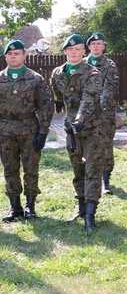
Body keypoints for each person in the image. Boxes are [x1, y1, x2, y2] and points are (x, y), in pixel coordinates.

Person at [51, 34, 105, 232]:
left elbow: (89, 99)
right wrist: (68, 118)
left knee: (92, 168)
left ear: (84, 52)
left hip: (91, 126)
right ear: (65, 51)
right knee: (77, 168)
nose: (74, 52)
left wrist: (80, 119)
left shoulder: (93, 73)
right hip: (71, 129)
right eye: (70, 49)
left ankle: (91, 214)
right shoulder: (57, 73)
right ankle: (81, 208)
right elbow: (59, 97)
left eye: (78, 49)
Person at [0, 40, 53, 222]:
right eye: (10, 54)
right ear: (6, 56)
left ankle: (31, 206)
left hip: (29, 130)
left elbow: (45, 106)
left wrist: (43, 132)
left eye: (17, 53)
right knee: (9, 169)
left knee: (31, 169)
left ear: (24, 56)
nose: (13, 57)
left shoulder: (36, 79)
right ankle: (15, 207)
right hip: (5, 132)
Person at [85, 33, 119, 194]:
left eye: (99, 44)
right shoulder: (82, 64)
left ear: (103, 46)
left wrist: (96, 106)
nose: (96, 46)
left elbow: (109, 89)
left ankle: (105, 181)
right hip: (85, 114)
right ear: (89, 46)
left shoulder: (110, 65)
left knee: (106, 145)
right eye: (93, 44)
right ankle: (89, 178)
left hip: (105, 113)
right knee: (86, 145)